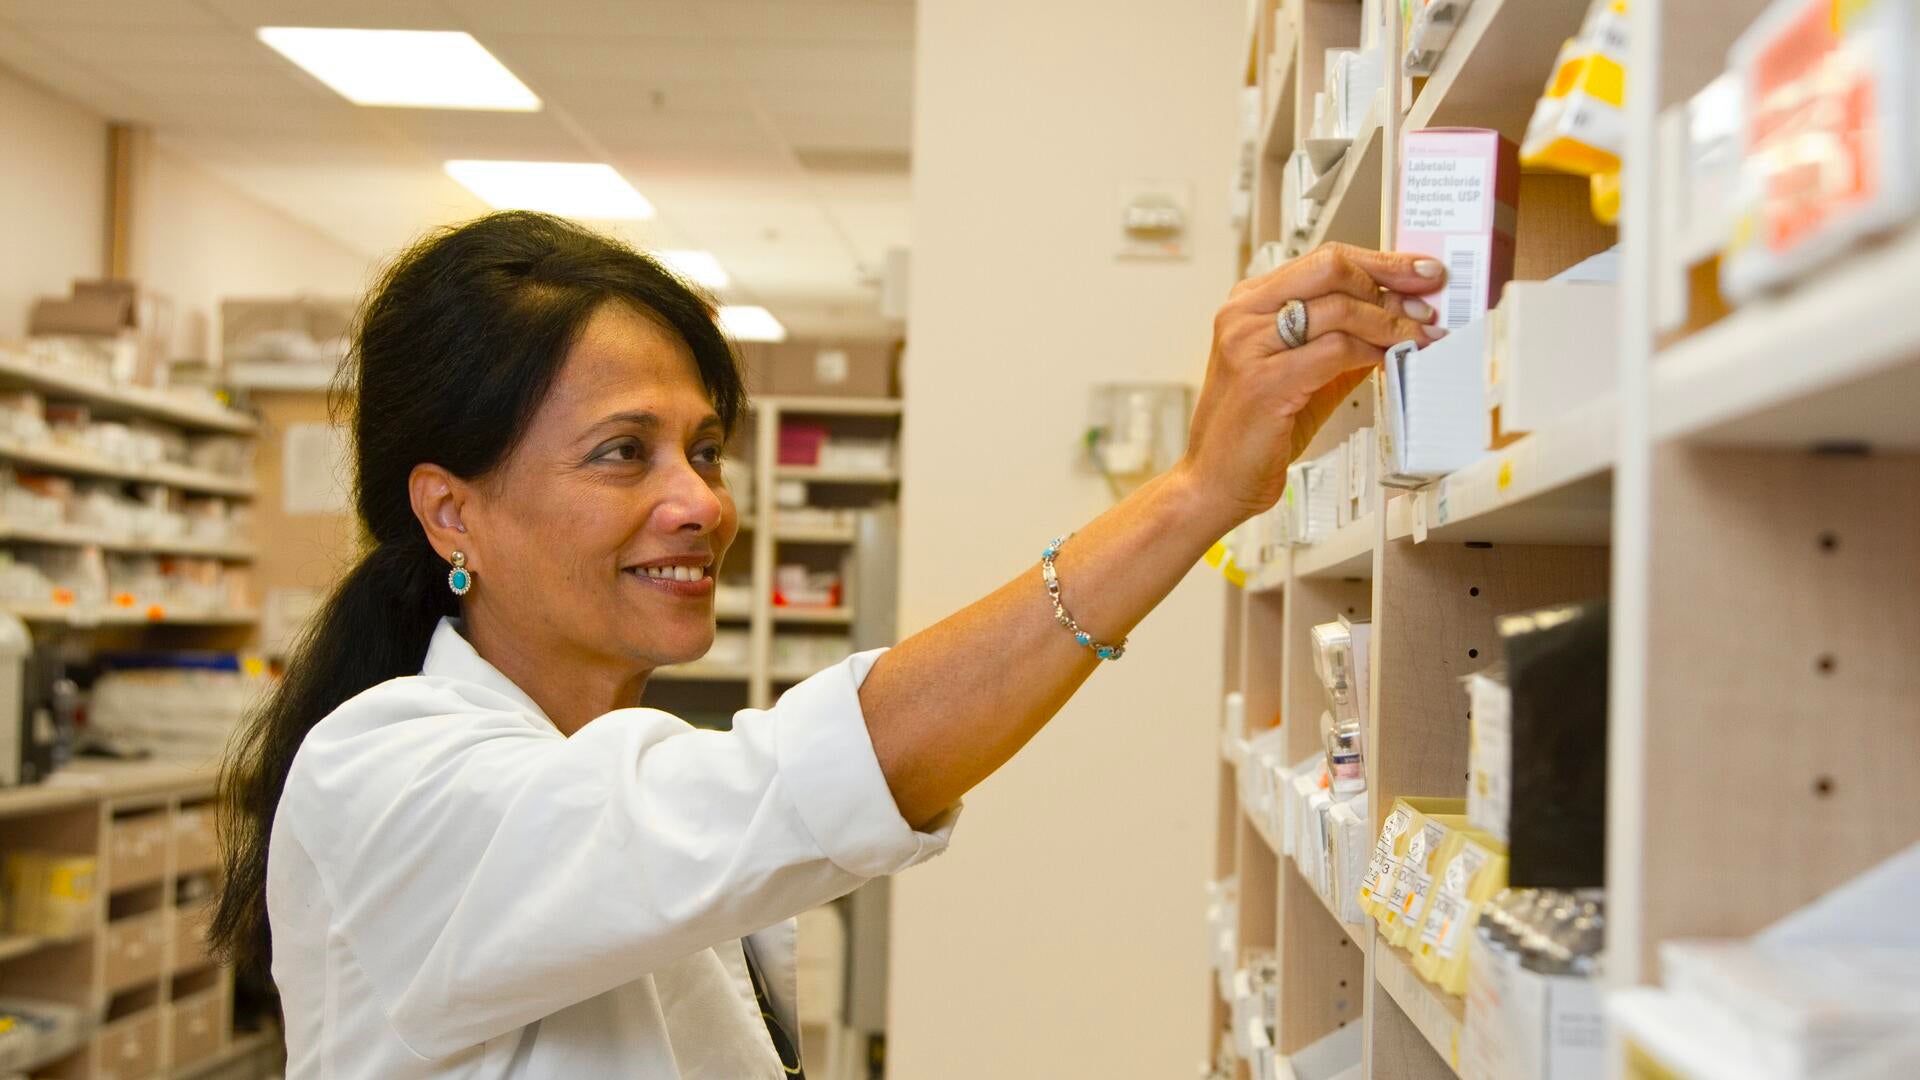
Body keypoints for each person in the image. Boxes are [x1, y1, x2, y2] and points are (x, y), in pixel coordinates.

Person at [212, 210, 1447, 1078]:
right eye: (621, 452)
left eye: (701, 448)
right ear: (451, 510)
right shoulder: (385, 778)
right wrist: (1192, 495)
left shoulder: (617, 757)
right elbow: (814, 776)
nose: (700, 501)